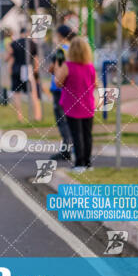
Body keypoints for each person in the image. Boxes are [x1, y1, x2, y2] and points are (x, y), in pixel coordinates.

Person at [55, 36, 97, 172]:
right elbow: (95, 84)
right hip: (88, 104)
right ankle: (88, 162)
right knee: (87, 134)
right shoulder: (90, 67)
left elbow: (58, 82)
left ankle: (79, 163)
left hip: (72, 106)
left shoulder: (67, 66)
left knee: (76, 134)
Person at [48, 25, 74, 161]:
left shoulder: (60, 50)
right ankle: (70, 147)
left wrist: (51, 69)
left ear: (60, 35)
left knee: (61, 119)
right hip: (70, 87)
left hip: (59, 88)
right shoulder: (73, 48)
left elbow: (54, 68)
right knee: (69, 118)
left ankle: (66, 149)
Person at [7, 28, 41, 122]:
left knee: (17, 94)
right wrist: (36, 73)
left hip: (16, 70)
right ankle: (37, 116)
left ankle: (20, 117)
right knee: (33, 93)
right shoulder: (32, 43)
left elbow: (8, 57)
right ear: (27, 33)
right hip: (27, 69)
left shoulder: (14, 43)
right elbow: (36, 60)